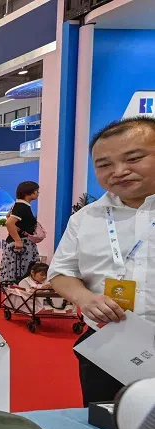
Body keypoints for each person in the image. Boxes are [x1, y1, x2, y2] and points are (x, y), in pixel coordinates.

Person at [50, 117, 155, 407]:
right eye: (104, 164)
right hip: (108, 343)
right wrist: (85, 298)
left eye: (134, 158)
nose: (119, 171)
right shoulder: (86, 218)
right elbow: (61, 273)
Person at [0, 182, 42, 309]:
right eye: (36, 191)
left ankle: (11, 299)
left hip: (23, 245)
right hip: (21, 247)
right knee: (13, 274)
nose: (38, 193)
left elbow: (9, 220)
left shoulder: (20, 206)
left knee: (14, 273)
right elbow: (9, 223)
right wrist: (18, 241)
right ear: (28, 192)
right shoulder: (22, 206)